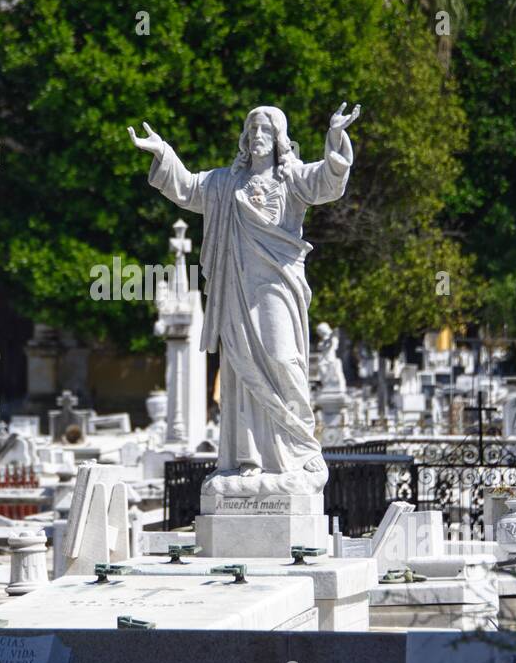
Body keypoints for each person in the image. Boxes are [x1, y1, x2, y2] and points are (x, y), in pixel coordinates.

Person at [129, 103, 359, 496]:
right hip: (236, 286)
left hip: (278, 286)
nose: (257, 136)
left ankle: (298, 450)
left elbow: (328, 181)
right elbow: (185, 187)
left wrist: (335, 136)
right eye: (251, 129)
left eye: (265, 130)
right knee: (242, 369)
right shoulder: (224, 184)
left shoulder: (292, 179)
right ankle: (250, 458)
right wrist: (163, 152)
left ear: (278, 138)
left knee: (283, 359)